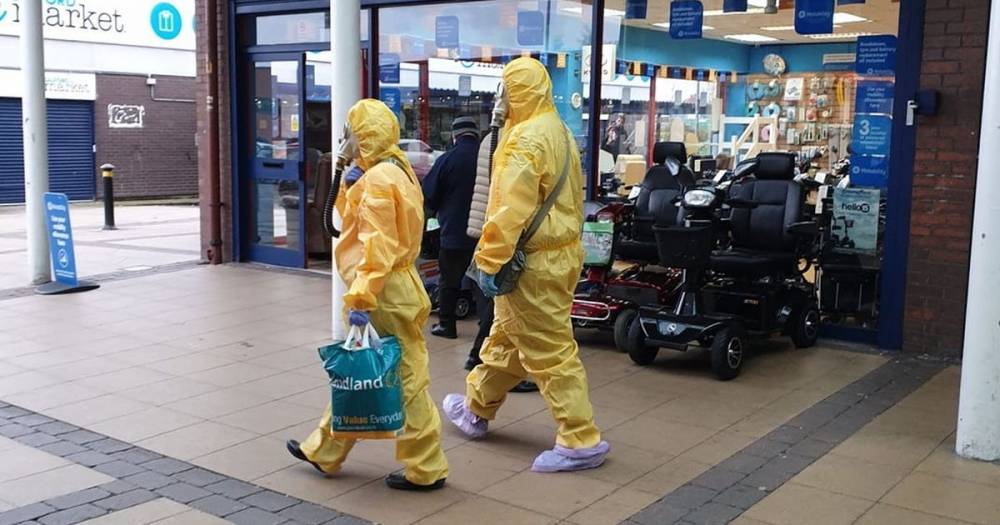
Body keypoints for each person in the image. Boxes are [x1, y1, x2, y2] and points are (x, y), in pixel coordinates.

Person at [442, 58, 609, 473]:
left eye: (503, 90)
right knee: (507, 339)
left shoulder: (523, 140)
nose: (499, 99)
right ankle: (476, 408)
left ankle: (579, 438)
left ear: (515, 92)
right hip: (559, 255)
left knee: (550, 350)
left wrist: (487, 261)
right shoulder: (560, 132)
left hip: (530, 261)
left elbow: (508, 210)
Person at [286, 99, 449, 492]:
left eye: (352, 132)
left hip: (382, 291)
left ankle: (426, 467)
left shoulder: (378, 179)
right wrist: (347, 183)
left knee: (403, 379)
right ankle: (324, 450)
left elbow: (377, 244)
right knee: (362, 374)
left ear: (365, 136)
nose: (347, 139)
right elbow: (353, 222)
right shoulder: (394, 170)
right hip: (394, 286)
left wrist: (361, 299)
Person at [465, 133, 538, 393]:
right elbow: (511, 197)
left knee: (496, 309)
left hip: (488, 231)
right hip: (500, 235)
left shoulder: (494, 138)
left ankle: (484, 362)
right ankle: (485, 363)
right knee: (499, 311)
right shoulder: (511, 137)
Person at [422, 117, 480, 340]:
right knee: (484, 286)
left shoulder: (447, 159)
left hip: (454, 232)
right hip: (487, 234)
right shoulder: (491, 158)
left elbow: (429, 193)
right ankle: (485, 332)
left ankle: (447, 325)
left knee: (449, 281)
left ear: (455, 136)